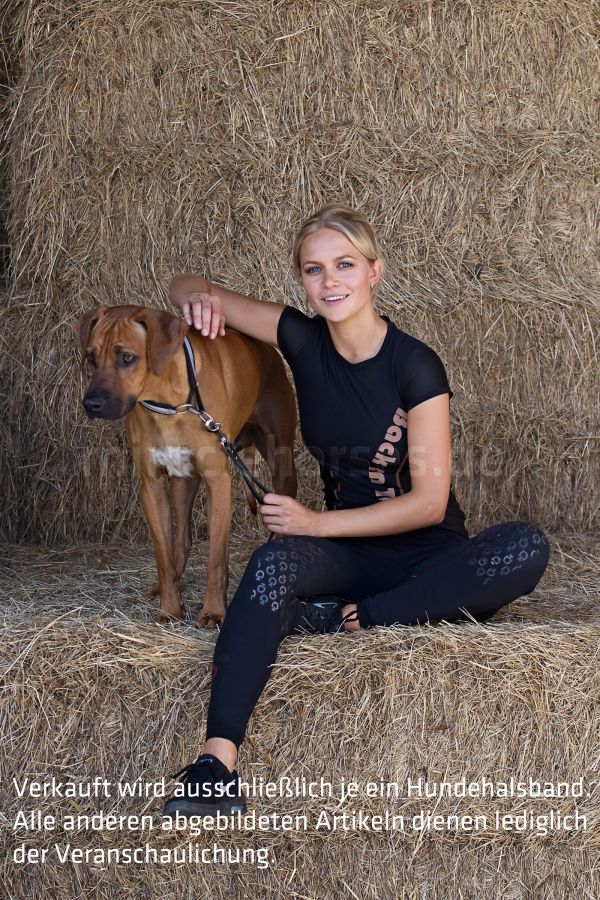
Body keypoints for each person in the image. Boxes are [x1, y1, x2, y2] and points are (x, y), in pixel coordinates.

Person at [161, 203, 550, 819]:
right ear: (301, 280)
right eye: (313, 269)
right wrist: (195, 301)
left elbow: (429, 505)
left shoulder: (415, 364)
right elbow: (186, 283)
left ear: (375, 272)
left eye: (345, 265)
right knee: (272, 566)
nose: (330, 281)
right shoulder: (299, 338)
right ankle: (216, 765)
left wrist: (314, 524)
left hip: (429, 556)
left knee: (525, 547)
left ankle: (356, 618)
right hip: (349, 556)